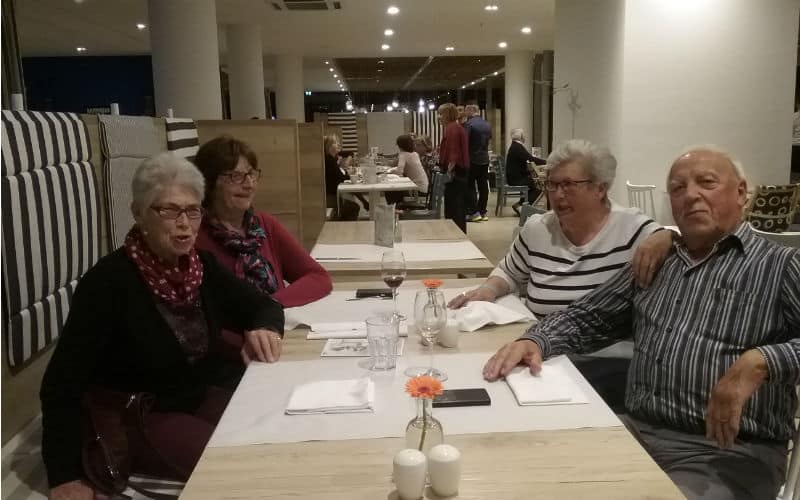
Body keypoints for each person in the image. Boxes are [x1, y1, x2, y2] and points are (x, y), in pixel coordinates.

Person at [483, 146, 799, 499]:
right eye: (678, 188)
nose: (691, 194)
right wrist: (536, 340)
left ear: (741, 193)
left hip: (726, 451)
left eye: (707, 183)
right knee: (528, 473)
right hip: (635, 431)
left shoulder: (780, 265)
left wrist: (762, 361)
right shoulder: (658, 261)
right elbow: (590, 316)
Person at [41, 152, 285, 499]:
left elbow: (263, 306)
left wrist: (264, 327)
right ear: (139, 213)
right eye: (169, 210)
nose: (185, 223)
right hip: (140, 413)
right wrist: (63, 476)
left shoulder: (200, 267)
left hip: (196, 394)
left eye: (193, 210)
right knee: (234, 466)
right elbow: (60, 383)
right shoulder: (108, 282)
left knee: (275, 432)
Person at [450, 139, 672, 410]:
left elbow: (682, 244)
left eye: (568, 185)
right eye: (552, 185)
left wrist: (667, 237)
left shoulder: (633, 231)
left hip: (604, 363)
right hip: (539, 351)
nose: (557, 195)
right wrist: (488, 290)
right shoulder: (539, 228)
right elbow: (509, 272)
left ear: (600, 188)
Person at [194, 135, 332, 308]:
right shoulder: (195, 238)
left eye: (251, 174)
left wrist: (269, 306)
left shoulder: (264, 225)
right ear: (208, 183)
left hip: (274, 323)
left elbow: (319, 277)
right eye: (236, 176)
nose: (249, 184)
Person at [437, 103, 470, 233]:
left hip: (456, 173)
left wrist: (449, 173)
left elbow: (453, 153)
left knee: (454, 207)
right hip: (460, 171)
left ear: (448, 115)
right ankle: (459, 234)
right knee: (458, 207)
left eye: (441, 114)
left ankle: (456, 234)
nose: (439, 117)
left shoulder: (452, 129)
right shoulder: (456, 127)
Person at [323, 134, 365, 220]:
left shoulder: (331, 158)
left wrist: (346, 173)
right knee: (353, 207)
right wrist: (348, 173)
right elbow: (342, 178)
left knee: (353, 202)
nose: (338, 144)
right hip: (331, 195)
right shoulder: (329, 160)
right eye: (335, 143)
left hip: (335, 192)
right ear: (329, 147)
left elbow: (340, 176)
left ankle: (365, 202)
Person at [505, 128, 546, 215]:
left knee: (532, 182)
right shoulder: (517, 147)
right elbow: (529, 158)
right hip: (516, 179)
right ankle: (523, 207)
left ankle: (520, 205)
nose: (525, 137)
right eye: (524, 135)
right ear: (521, 137)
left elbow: (526, 158)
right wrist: (546, 161)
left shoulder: (515, 146)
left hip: (514, 177)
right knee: (538, 186)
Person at [463, 104, 493, 222]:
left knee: (470, 185)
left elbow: (465, 142)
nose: (465, 113)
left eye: (466, 111)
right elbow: (489, 139)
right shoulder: (487, 124)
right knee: (483, 186)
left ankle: (473, 212)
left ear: (471, 110)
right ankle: (482, 211)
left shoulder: (469, 124)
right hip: (484, 159)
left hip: (472, 159)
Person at [385, 133, 429, 206]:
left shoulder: (403, 155)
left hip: (417, 191)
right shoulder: (415, 154)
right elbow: (404, 168)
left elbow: (399, 172)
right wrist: (392, 170)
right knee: (394, 190)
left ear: (400, 146)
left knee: (390, 190)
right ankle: (396, 208)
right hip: (424, 188)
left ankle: (396, 208)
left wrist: (389, 172)